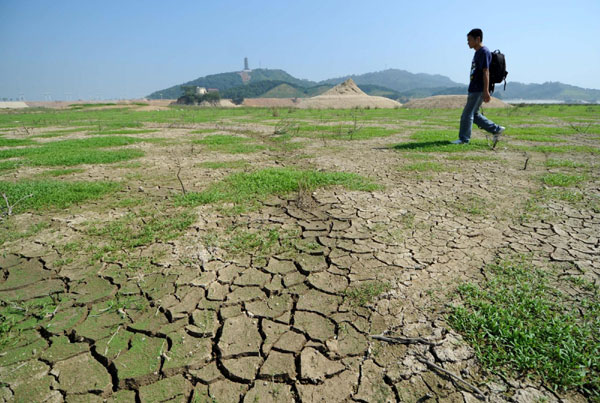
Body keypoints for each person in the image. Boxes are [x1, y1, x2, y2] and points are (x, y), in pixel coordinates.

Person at [452, 28, 505, 147]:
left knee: (467, 114)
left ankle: (463, 139)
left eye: (469, 40)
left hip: (478, 88)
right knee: (474, 115)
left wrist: (486, 91)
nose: (468, 42)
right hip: (475, 88)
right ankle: (496, 129)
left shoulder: (484, 52)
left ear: (478, 39)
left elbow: (486, 71)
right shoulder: (478, 52)